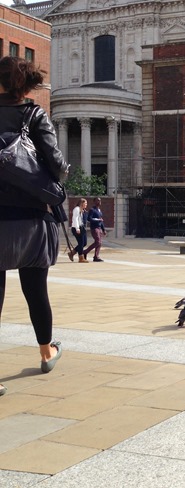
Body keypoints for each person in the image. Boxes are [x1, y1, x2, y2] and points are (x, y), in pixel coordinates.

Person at [0, 56, 69, 394]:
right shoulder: (34, 114)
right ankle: (46, 351)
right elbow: (57, 165)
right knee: (35, 290)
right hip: (31, 218)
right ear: (27, 85)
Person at [83, 197, 106, 262]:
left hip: (99, 228)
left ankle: (96, 256)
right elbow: (89, 219)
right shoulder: (92, 210)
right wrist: (97, 220)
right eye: (97, 200)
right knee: (98, 242)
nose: (99, 202)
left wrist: (103, 229)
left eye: (100, 200)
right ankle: (85, 252)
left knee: (99, 243)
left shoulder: (99, 210)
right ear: (94, 202)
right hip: (94, 228)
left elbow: (101, 221)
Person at [69, 198, 89, 263]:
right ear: (81, 203)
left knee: (84, 243)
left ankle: (72, 253)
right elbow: (75, 219)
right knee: (81, 243)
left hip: (82, 227)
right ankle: (81, 258)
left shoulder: (82, 210)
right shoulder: (77, 209)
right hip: (76, 228)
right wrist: (77, 228)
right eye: (85, 203)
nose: (86, 204)